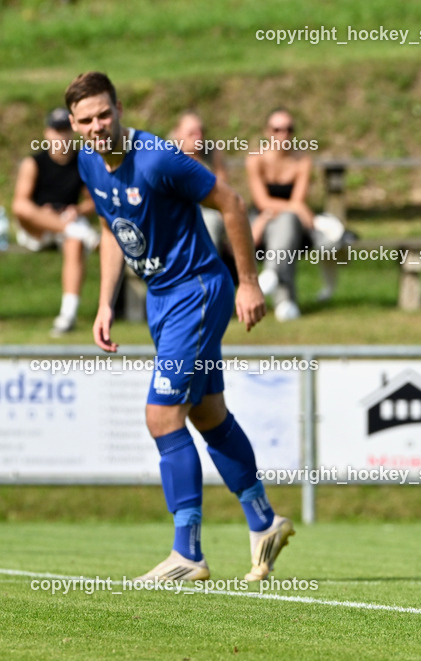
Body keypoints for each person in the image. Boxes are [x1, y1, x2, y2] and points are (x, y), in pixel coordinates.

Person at [66, 71, 294, 582]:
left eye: (105, 114)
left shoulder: (159, 158)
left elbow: (232, 203)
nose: (98, 126)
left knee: (162, 416)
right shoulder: (88, 160)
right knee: (208, 414)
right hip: (162, 298)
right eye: (87, 120)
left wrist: (250, 283)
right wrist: (103, 303)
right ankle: (264, 520)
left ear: (119, 108)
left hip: (197, 290)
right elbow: (110, 228)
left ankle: (187, 553)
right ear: (76, 125)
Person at [12, 107, 99, 336]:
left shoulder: (82, 162)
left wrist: (77, 209)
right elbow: (20, 204)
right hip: (37, 228)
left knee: (74, 243)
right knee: (26, 209)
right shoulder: (34, 163)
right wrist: (48, 215)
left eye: (65, 131)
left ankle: (67, 315)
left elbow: (96, 200)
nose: (62, 136)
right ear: (47, 133)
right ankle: (77, 231)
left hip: (67, 228)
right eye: (56, 131)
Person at [245, 108, 317, 321]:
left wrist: (283, 210)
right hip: (260, 224)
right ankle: (286, 302)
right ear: (267, 132)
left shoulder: (302, 161)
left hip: (291, 227)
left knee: (286, 224)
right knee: (285, 225)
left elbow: (297, 201)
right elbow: (262, 201)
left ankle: (272, 274)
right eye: (277, 129)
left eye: (288, 129)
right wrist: (271, 213)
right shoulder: (255, 160)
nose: (283, 135)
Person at [169, 110, 229, 257]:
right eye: (192, 133)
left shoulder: (211, 154)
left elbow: (224, 192)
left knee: (210, 221)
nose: (199, 137)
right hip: (178, 213)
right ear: (178, 134)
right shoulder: (168, 158)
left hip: (209, 212)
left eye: (200, 132)